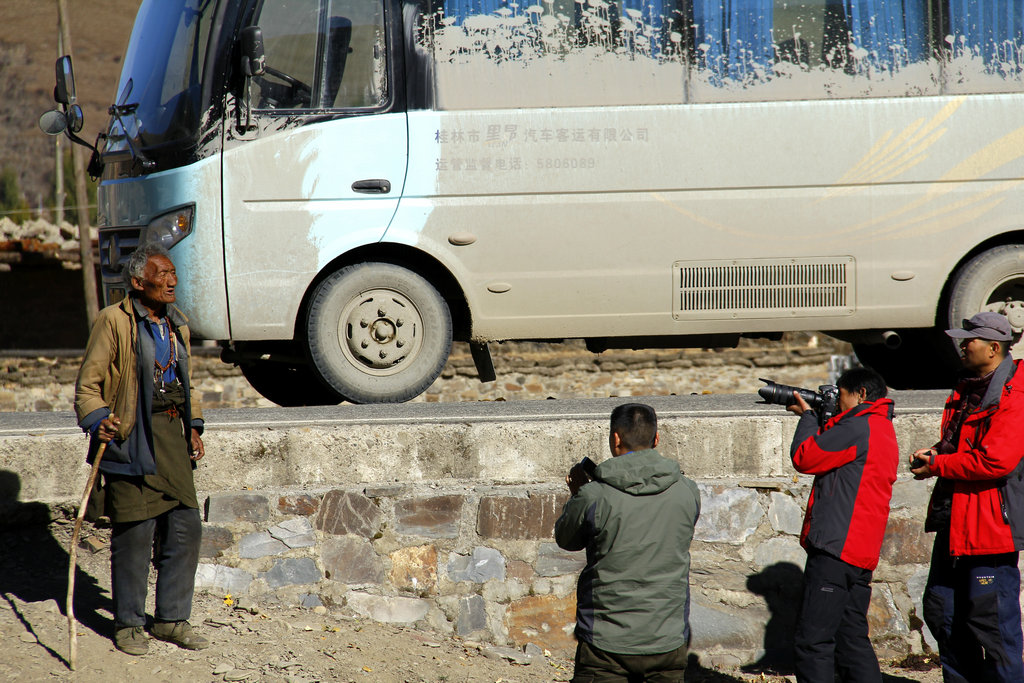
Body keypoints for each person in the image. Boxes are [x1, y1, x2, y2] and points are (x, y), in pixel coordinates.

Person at [74, 243, 209, 656]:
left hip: (171, 437)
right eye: (162, 274)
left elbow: (189, 382)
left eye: (173, 273)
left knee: (185, 528)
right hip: (131, 439)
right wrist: (100, 420)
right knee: (134, 533)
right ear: (138, 282)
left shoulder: (176, 325)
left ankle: (171, 618)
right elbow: (87, 387)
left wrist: (194, 425)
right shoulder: (113, 322)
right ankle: (129, 622)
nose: (172, 281)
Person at [910, 311, 1024, 682]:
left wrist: (940, 465)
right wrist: (935, 453)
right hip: (956, 521)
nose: (962, 345)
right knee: (942, 612)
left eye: (969, 340)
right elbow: (961, 445)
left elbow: (995, 460)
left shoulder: (1014, 395)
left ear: (994, 348)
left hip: (989, 528)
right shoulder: (967, 389)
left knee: (991, 625)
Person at [554, 403, 701, 682]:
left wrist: (577, 495)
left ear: (616, 438)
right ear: (656, 439)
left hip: (606, 643)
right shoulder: (687, 491)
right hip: (667, 639)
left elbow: (567, 539)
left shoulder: (594, 495)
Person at [787, 367, 898, 682]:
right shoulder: (881, 427)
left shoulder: (859, 427)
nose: (837, 402)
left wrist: (808, 418)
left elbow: (805, 457)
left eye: (841, 394)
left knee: (813, 641)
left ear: (861, 394)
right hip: (860, 551)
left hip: (836, 548)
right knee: (851, 641)